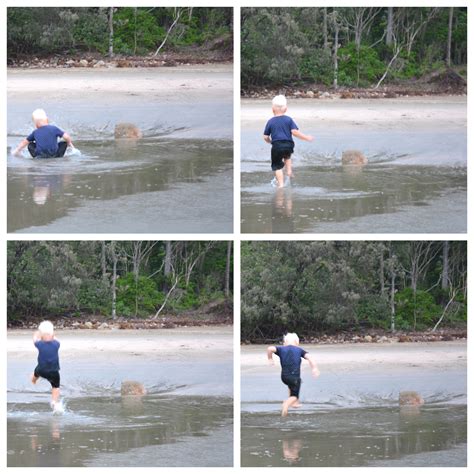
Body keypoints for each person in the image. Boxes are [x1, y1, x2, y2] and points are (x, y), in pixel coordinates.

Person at [263, 95, 313, 188]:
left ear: (272, 109)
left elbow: (265, 136)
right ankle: (289, 171)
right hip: (288, 144)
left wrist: (270, 141)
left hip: (277, 145)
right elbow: (294, 132)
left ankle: (281, 185)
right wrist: (306, 137)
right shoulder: (289, 119)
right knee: (287, 156)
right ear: (286, 109)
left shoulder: (270, 121)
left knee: (277, 166)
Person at [267, 332, 320, 416]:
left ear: (284, 343)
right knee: (295, 394)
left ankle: (294, 403)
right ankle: (287, 404)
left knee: (291, 385)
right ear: (297, 342)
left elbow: (270, 348)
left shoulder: (281, 349)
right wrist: (314, 368)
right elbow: (310, 357)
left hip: (284, 377)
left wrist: (270, 359)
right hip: (294, 377)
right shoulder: (299, 350)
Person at [31, 320, 62, 411]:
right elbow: (55, 338)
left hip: (41, 369)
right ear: (52, 335)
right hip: (53, 371)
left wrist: (37, 333)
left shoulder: (39, 344)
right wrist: (52, 334)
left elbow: (34, 339)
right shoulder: (56, 344)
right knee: (55, 387)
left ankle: (33, 381)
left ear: (41, 336)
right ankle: (54, 402)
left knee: (36, 371)